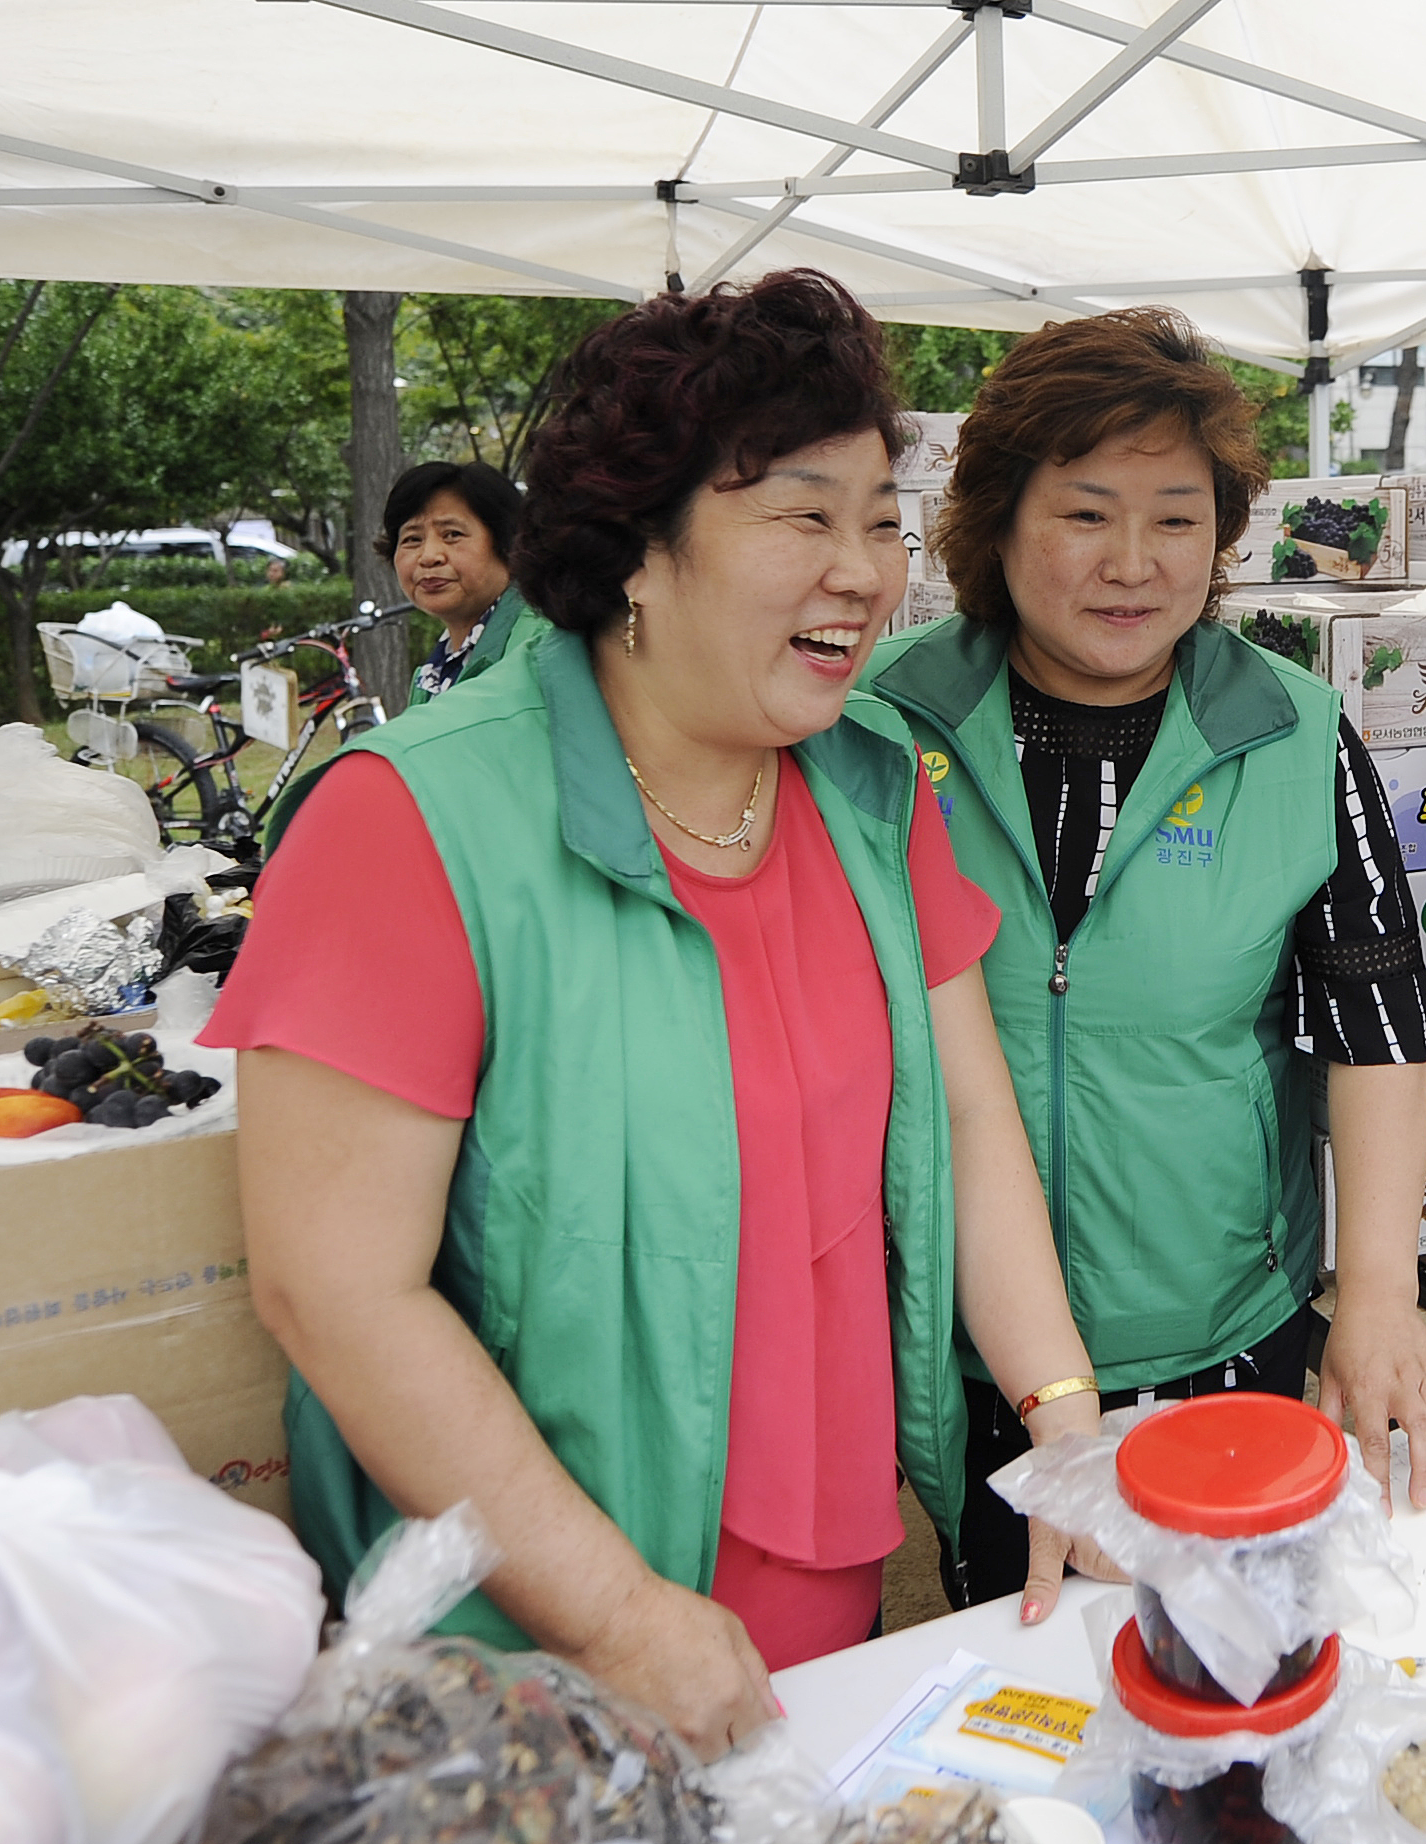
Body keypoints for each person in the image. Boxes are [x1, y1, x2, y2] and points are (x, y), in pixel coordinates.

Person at [203, 271, 1109, 1758]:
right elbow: (336, 1289)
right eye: (803, 516)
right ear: (636, 547)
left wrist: (1064, 1418)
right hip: (532, 1638)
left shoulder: (874, 785)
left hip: (825, 1572)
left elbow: (965, 1109)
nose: (865, 572)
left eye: (881, 521)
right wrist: (616, 1614)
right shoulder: (409, 816)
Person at [863, 307, 1426, 1608]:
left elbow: (1378, 1025)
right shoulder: (879, 726)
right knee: (1025, 1657)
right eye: (1085, 515)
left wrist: (1374, 1292)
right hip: (972, 1341)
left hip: (1228, 1326)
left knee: (1233, 1649)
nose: (1132, 564)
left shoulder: (1294, 732)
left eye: (1177, 519)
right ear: (996, 524)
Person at [379, 459, 540, 704]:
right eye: (412, 539)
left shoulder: (540, 646)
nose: (429, 556)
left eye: (453, 534)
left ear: (508, 542)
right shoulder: (433, 673)